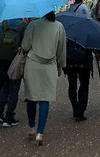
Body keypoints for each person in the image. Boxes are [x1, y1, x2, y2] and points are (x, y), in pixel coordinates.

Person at [21, 12, 67, 146]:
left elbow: (25, 46)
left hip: (33, 63)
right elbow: (61, 50)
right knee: (45, 98)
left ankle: (31, 127)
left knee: (31, 96)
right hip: (50, 65)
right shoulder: (59, 26)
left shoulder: (33, 25)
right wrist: (60, 65)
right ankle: (40, 133)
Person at [0, 18, 30, 127]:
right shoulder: (23, 26)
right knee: (14, 86)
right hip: (15, 60)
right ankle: (9, 117)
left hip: (1, 59)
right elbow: (26, 46)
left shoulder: (2, 24)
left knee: (5, 84)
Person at [63, 37, 94, 122]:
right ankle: (80, 112)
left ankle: (75, 108)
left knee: (72, 85)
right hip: (84, 62)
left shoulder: (68, 32)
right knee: (84, 85)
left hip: (70, 62)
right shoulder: (87, 31)